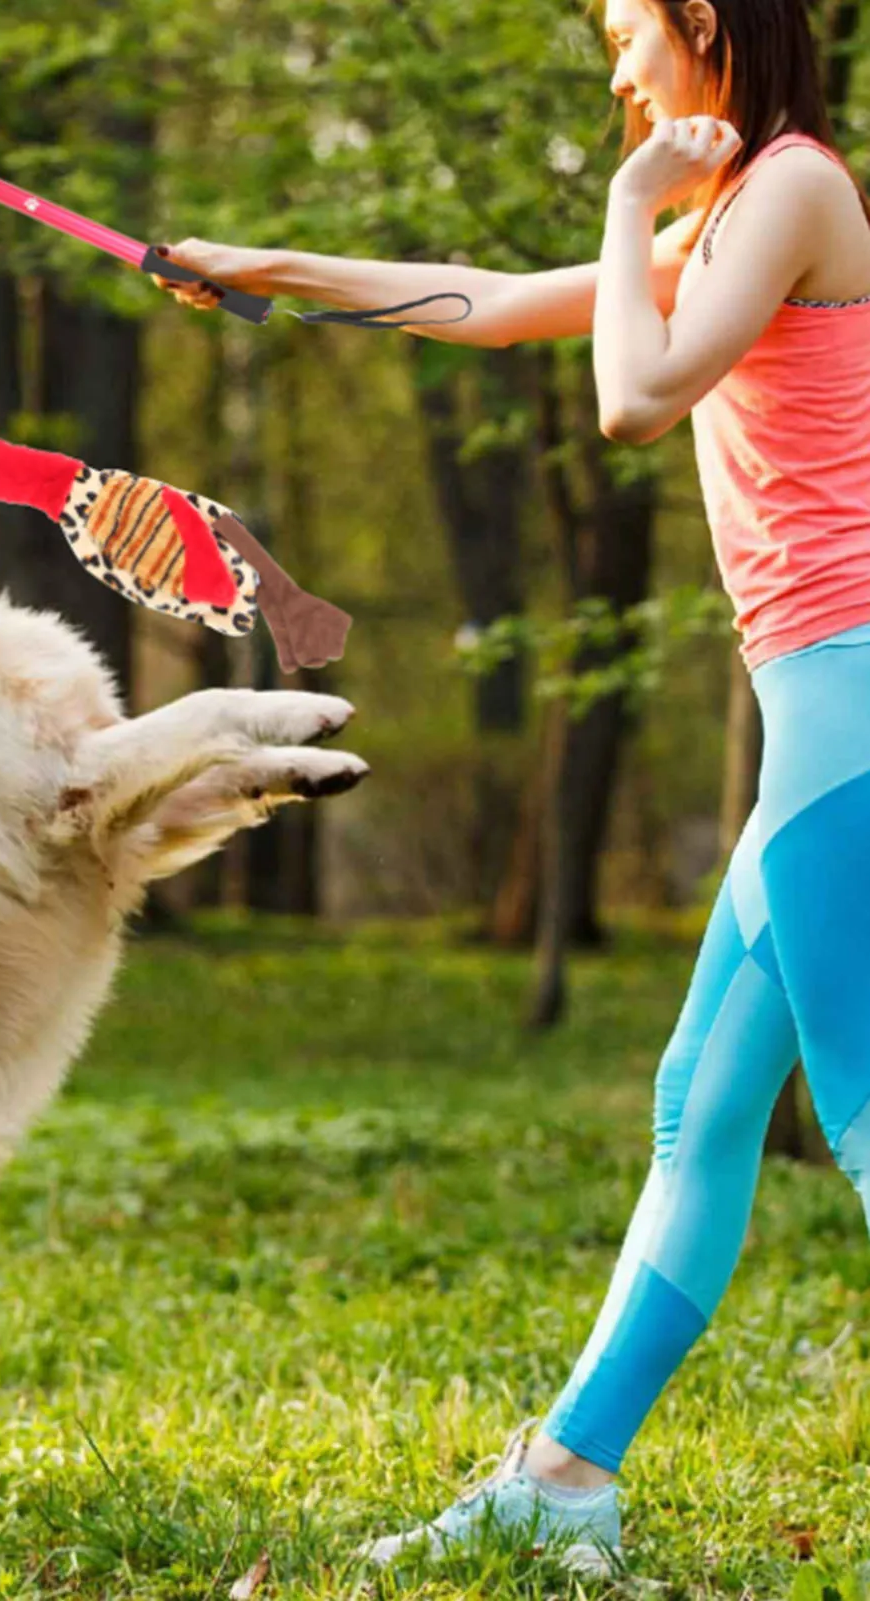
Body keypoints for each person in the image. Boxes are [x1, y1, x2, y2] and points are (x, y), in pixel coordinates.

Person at [151, 0, 870, 1577]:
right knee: (703, 1105)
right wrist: (268, 272)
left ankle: (563, 1481)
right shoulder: (738, 219)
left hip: (850, 710)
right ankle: (564, 1482)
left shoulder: (801, 188)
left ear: (705, 22)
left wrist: (626, 206)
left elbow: (635, 392)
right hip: (825, 718)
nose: (616, 70)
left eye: (627, 31)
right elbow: (486, 304)